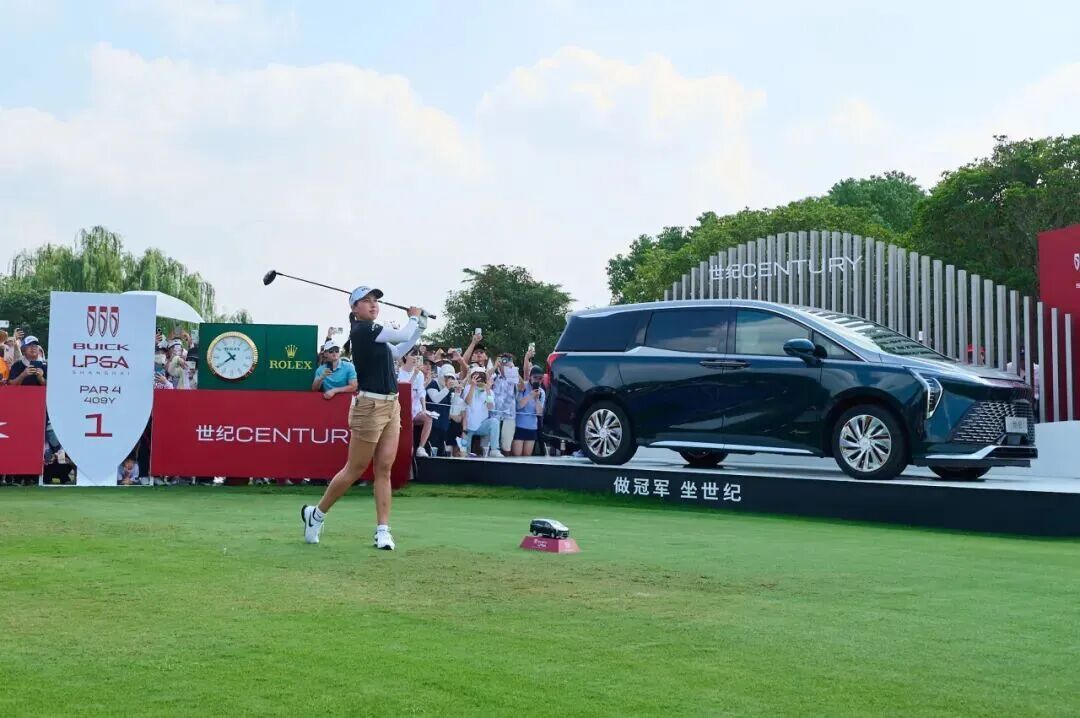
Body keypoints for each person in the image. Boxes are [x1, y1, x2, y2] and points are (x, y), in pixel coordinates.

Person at [300, 285, 422, 550]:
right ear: (355, 309)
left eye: (375, 300)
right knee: (354, 469)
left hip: (392, 406)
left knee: (384, 469)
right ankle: (316, 515)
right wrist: (413, 317)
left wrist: (419, 327)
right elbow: (402, 334)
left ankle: (383, 531)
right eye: (366, 301)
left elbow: (398, 352)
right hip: (369, 406)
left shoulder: (375, 334)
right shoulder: (363, 330)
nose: (373, 304)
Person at [397, 351, 432, 456]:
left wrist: (424, 409)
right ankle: (409, 449)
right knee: (409, 423)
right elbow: (404, 390)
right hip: (403, 409)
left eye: (417, 356)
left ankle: (421, 448)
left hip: (416, 409)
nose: (415, 358)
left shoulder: (420, 374)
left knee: (428, 418)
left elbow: (421, 392)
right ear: (405, 356)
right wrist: (414, 374)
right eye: (412, 355)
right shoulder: (398, 372)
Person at [461, 367, 502, 457]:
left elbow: (490, 407)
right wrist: (473, 385)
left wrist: (488, 390)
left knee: (494, 422)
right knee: (464, 454)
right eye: (477, 377)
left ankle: (494, 449)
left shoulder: (490, 392)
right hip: (468, 426)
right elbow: (468, 402)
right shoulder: (468, 388)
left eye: (482, 377)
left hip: (482, 425)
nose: (480, 380)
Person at [513, 366, 546, 457]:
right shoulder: (523, 386)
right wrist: (530, 396)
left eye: (540, 378)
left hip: (532, 427)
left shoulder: (541, 392)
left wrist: (537, 399)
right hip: (519, 425)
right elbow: (518, 406)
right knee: (517, 454)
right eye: (535, 377)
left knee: (527, 456)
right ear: (530, 377)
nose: (537, 380)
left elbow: (539, 413)